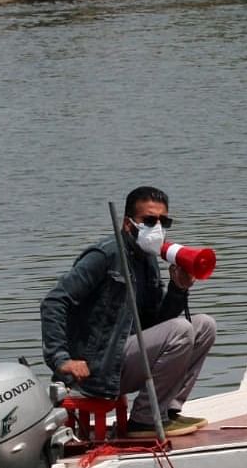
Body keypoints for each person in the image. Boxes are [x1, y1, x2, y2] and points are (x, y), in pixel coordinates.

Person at [41, 186, 216, 438]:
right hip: (96, 367)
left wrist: (178, 289)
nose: (157, 227)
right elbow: (54, 302)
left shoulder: (148, 260)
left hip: (124, 356)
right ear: (127, 224)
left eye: (163, 221)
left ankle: (167, 410)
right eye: (149, 220)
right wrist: (62, 359)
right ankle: (144, 419)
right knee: (181, 329)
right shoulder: (105, 255)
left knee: (204, 325)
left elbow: (156, 324)